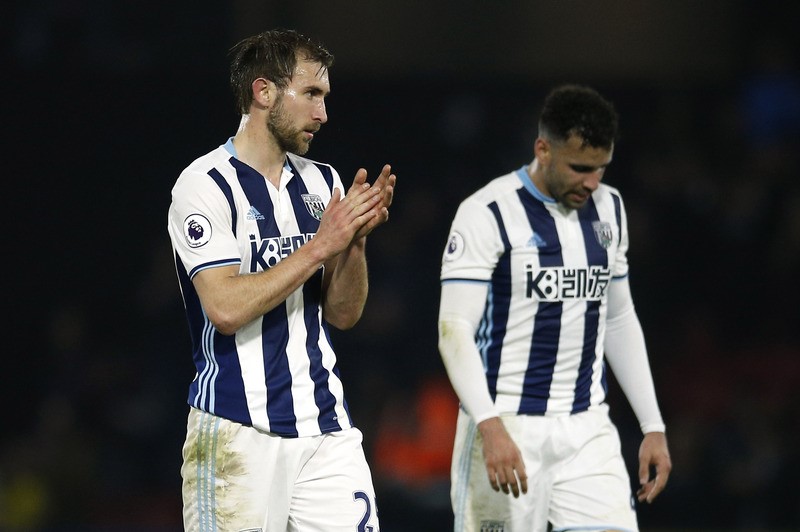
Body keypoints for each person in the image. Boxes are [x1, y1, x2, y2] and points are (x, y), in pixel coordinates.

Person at [167, 28, 394, 531]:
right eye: (311, 94)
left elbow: (343, 314)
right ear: (263, 92)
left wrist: (354, 241)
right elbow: (224, 311)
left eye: (326, 97)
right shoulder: (203, 185)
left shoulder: (323, 183)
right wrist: (321, 245)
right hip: (235, 431)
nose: (323, 113)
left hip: (325, 427)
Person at [437, 84, 671, 532]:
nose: (592, 182)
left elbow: (619, 318)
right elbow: (454, 329)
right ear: (542, 149)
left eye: (601, 168)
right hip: (506, 424)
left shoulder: (611, 209)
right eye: (580, 168)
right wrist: (489, 425)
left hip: (586, 428)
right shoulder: (486, 212)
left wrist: (652, 423)